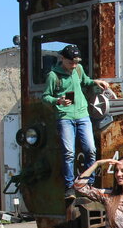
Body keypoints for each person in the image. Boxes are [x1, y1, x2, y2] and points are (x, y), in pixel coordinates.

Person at [42, 45, 111, 194]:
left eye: (76, 62)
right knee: (69, 153)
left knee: (91, 150)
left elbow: (84, 81)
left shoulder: (78, 69)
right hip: (64, 117)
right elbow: (45, 97)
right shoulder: (53, 75)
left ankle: (88, 183)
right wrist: (57, 101)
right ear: (62, 59)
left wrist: (95, 82)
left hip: (82, 115)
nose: (74, 65)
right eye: (71, 62)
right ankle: (69, 186)